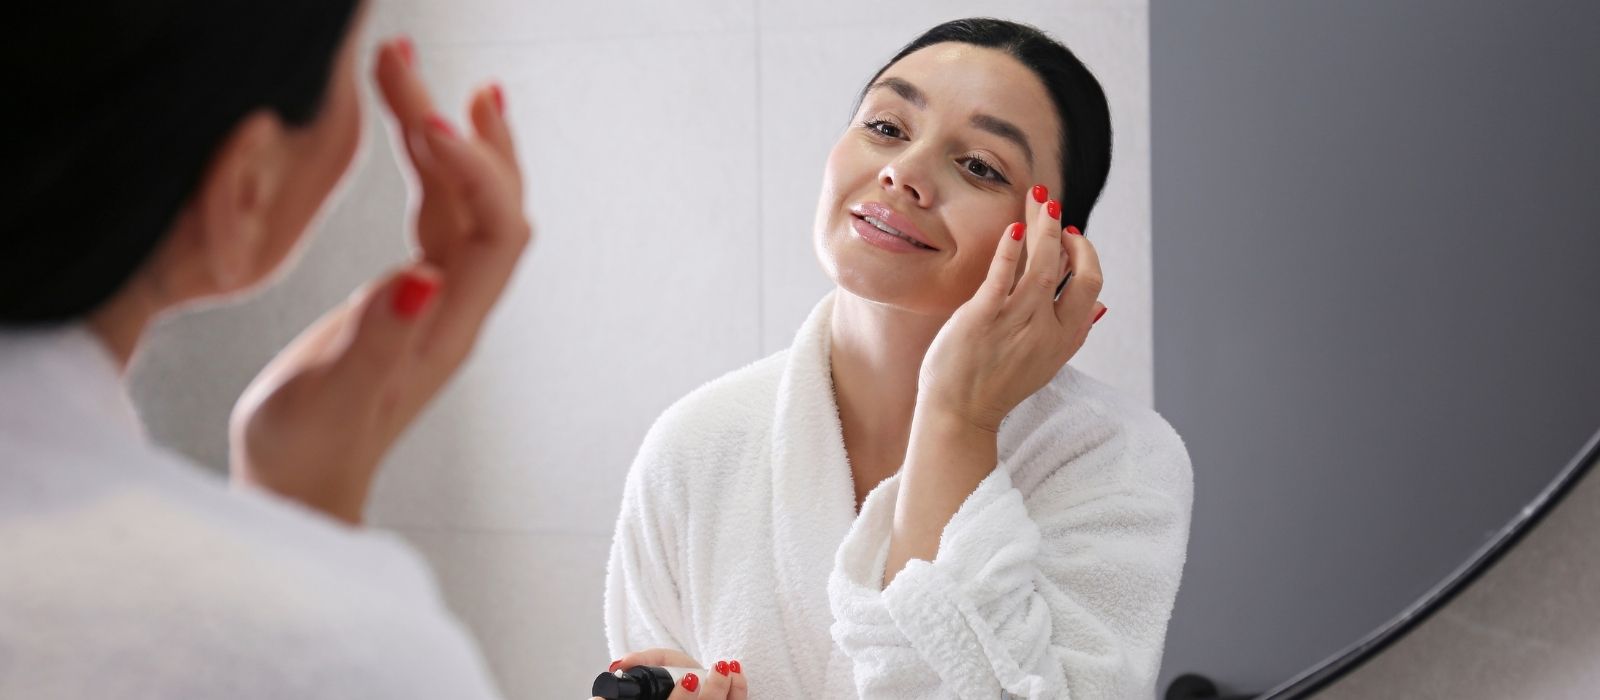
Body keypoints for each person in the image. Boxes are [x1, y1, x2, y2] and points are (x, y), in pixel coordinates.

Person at [605, 18, 1194, 699]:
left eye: (979, 166)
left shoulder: (1113, 459)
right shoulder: (697, 444)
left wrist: (957, 420)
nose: (904, 172)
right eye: (886, 127)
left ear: (1054, 250)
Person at [0, 2, 532, 697]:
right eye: (351, 59)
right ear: (249, 188)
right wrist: (310, 568)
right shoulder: (331, 658)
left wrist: (292, 513)